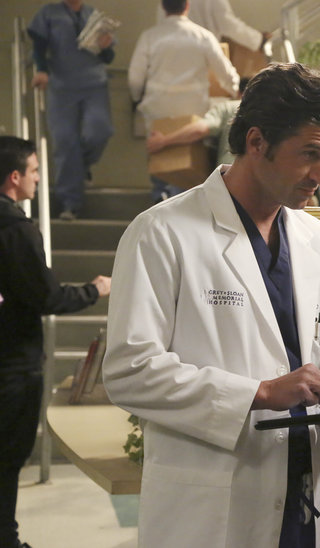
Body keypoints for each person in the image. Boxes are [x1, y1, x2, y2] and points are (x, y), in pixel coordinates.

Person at [104, 62, 320, 547]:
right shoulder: (162, 233)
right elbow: (131, 371)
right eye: (310, 154)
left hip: (299, 494)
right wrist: (259, 392)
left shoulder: (318, 240)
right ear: (257, 142)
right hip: (211, 506)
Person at [0, 136, 111, 548]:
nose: (37, 178)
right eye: (33, 171)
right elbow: (46, 296)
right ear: (14, 177)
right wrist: (94, 289)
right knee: (8, 459)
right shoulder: (16, 230)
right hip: (13, 365)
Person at [129, 0, 239, 202]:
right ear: (187, 6)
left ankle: (160, 198)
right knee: (187, 168)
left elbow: (135, 78)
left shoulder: (149, 37)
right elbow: (226, 73)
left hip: (157, 111)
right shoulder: (203, 36)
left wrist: (137, 99)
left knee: (160, 160)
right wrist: (234, 90)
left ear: (163, 7)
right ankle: (183, 204)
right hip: (192, 113)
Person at [28, 0, 117, 221]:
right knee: (65, 141)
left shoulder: (93, 14)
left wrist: (106, 46)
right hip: (62, 86)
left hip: (94, 83)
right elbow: (39, 45)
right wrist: (41, 70)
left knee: (99, 131)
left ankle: (83, 166)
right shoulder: (49, 13)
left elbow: (108, 57)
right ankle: (70, 204)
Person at [145, 78, 249, 168]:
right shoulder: (258, 112)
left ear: (239, 93)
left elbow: (200, 130)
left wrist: (163, 141)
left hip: (232, 176)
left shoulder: (230, 107)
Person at [156, 0, 272, 52]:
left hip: (171, 56)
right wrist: (258, 40)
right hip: (205, 57)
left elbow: (163, 24)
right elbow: (228, 24)